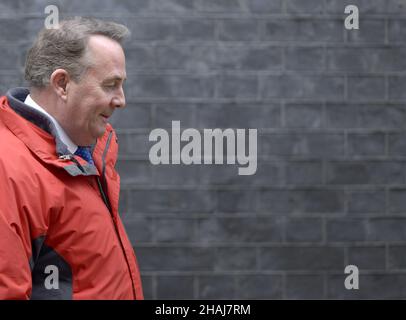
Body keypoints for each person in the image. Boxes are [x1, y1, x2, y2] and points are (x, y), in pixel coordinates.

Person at [0, 17, 143, 300]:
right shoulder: (9, 169)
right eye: (110, 85)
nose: (121, 100)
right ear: (62, 84)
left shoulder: (80, 149)